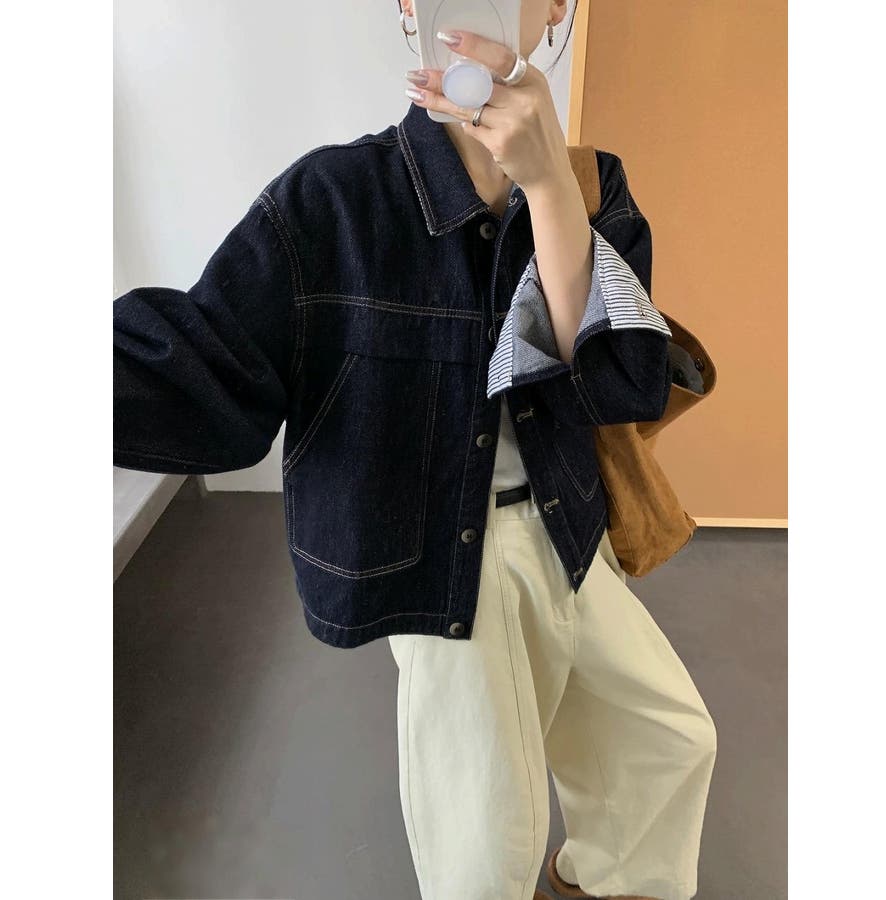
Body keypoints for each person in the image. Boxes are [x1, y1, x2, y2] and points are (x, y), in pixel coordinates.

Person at [113, 2, 717, 898]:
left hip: (567, 520)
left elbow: (618, 384)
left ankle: (598, 883)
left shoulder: (594, 185)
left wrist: (550, 188)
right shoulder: (331, 202)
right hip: (437, 556)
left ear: (558, 5)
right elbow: (209, 375)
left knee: (668, 742)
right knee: (487, 844)